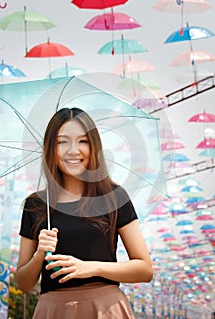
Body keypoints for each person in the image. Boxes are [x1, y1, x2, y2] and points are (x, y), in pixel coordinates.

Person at [17, 107, 153, 319]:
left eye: (82, 141)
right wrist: (38, 256)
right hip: (53, 311)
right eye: (62, 142)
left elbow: (144, 270)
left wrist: (90, 268)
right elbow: (23, 284)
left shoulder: (114, 197)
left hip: (105, 309)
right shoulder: (35, 204)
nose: (73, 150)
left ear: (94, 147)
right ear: (50, 148)